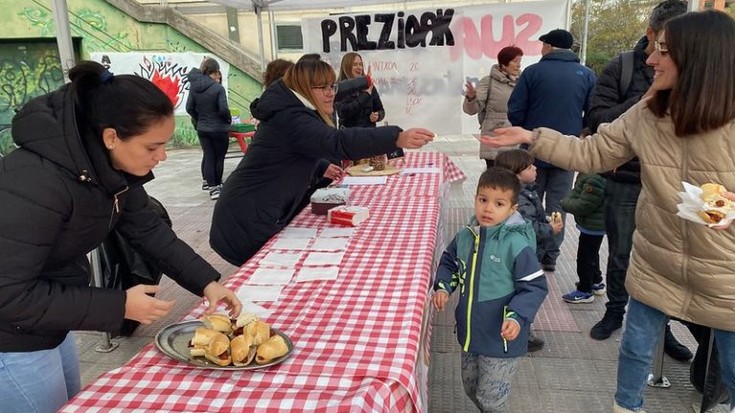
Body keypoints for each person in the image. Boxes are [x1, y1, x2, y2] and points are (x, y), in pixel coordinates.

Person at [481, 11, 735, 413]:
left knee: (732, 369)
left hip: (724, 270)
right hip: (657, 259)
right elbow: (593, 151)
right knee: (634, 353)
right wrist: (533, 136)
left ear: (700, 58)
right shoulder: (649, 111)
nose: (650, 59)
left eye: (663, 51)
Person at [0, 61, 242, 413]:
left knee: (69, 403)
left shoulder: (105, 166)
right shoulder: (37, 182)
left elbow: (148, 229)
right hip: (10, 337)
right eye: (151, 147)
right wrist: (118, 306)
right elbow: (7, 294)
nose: (161, 157)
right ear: (111, 136)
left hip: (47, 320)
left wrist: (207, 282)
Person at [209, 59, 434, 266]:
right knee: (267, 281)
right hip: (245, 221)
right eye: (323, 88)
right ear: (305, 88)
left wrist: (319, 166)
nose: (330, 94)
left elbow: (285, 153)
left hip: (253, 212)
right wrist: (396, 137)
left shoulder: (291, 106)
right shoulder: (293, 117)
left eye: (332, 86)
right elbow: (337, 142)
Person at [584, 0, 691, 361]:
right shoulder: (623, 67)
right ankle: (615, 311)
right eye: (665, 42)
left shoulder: (695, 72)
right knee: (621, 254)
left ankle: (663, 332)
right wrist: (642, 104)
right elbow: (596, 120)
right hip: (625, 179)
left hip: (676, 187)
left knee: (668, 263)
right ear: (651, 33)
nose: (662, 56)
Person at [432, 167, 548, 412]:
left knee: (491, 399)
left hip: (502, 340)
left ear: (512, 209)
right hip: (470, 335)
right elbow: (449, 262)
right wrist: (444, 286)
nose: (488, 208)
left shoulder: (516, 245)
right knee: (471, 388)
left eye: (499, 203)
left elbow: (535, 287)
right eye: (483, 200)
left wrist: (517, 317)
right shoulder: (466, 236)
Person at [507, 28, 596, 273]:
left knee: (527, 202)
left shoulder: (533, 73)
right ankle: (551, 255)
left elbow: (515, 109)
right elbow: (593, 113)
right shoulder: (586, 75)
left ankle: (528, 251)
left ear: (548, 46)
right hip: (568, 153)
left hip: (532, 152)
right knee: (559, 205)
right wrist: (579, 133)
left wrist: (527, 133)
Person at [495, 148, 562, 352]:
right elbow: (526, 228)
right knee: (522, 291)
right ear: (516, 173)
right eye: (530, 167)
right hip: (523, 254)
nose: (535, 169)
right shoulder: (519, 197)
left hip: (528, 252)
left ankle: (519, 328)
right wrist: (549, 229)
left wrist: (544, 222)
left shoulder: (527, 191)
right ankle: (521, 332)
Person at [463, 46, 524, 169]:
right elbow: (472, 109)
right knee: (496, 178)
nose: (518, 65)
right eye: (515, 61)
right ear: (503, 63)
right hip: (494, 137)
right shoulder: (488, 81)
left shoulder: (523, 81)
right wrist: (471, 97)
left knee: (515, 179)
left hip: (516, 137)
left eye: (520, 62)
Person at [186, 57, 231, 200]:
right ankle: (218, 185)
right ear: (216, 72)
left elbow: (189, 108)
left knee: (209, 156)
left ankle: (211, 188)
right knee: (219, 158)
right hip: (219, 129)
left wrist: (199, 119)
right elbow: (223, 109)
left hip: (203, 129)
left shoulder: (194, 87)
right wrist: (227, 119)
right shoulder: (218, 88)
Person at [560, 170, 607, 303]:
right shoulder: (596, 174)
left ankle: (585, 290)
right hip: (595, 224)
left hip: (592, 225)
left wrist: (564, 203)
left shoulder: (595, 179)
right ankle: (596, 281)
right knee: (593, 254)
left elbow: (584, 205)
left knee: (585, 257)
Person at [335, 52, 385, 129]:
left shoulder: (369, 85)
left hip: (369, 134)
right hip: (349, 135)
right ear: (347, 67)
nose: (359, 67)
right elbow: (344, 112)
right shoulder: (340, 88)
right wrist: (366, 95)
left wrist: (377, 116)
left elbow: (380, 109)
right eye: (355, 64)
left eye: (361, 64)